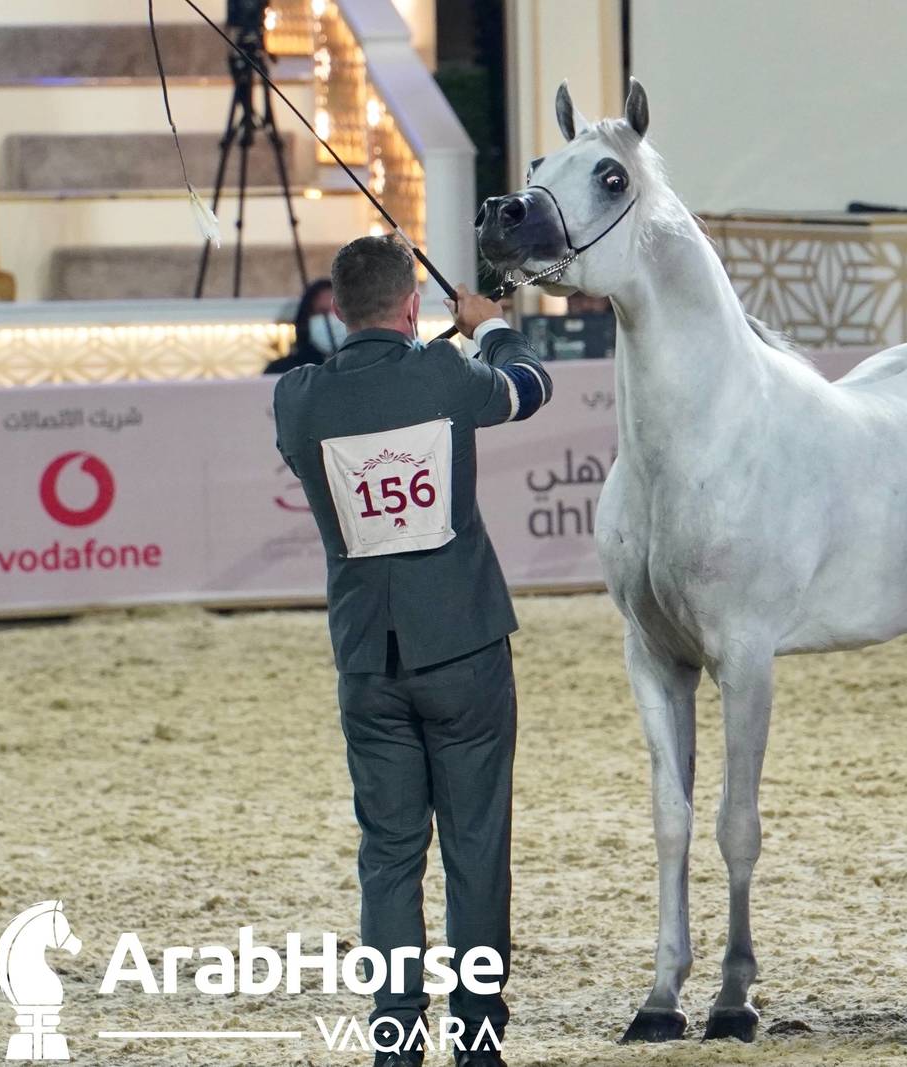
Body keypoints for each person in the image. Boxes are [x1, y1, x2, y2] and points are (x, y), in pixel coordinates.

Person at [273, 235, 553, 1067]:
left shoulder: (298, 399)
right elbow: (529, 388)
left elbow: (349, 394)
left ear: (335, 309)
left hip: (368, 656)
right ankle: (475, 1040)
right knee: (475, 847)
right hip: (463, 645)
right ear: (409, 307)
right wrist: (487, 326)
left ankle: (394, 1044)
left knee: (388, 856)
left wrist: (443, 338)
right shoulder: (442, 373)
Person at [264, 278, 343, 374]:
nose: (332, 319)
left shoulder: (363, 369)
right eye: (323, 312)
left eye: (338, 312)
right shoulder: (282, 371)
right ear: (305, 321)